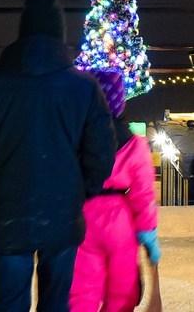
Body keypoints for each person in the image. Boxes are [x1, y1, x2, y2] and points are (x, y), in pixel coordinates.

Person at [0, 0, 115, 312]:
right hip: (63, 218)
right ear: (60, 35)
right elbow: (102, 153)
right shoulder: (84, 88)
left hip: (7, 216)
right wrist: (80, 190)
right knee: (56, 304)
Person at [69, 69, 158, 312]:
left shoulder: (75, 137)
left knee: (81, 292)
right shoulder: (134, 143)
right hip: (121, 221)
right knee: (122, 293)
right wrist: (148, 231)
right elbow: (143, 194)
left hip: (81, 215)